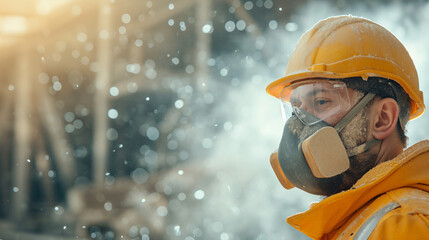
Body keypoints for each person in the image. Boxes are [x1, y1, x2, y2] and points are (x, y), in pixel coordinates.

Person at [266, 15, 429, 239]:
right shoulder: (360, 221)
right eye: (296, 108)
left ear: (382, 118)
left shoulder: (404, 226)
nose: (299, 125)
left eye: (321, 102)